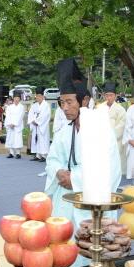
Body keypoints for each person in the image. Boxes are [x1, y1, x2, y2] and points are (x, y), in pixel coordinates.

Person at [45, 58, 121, 230]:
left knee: (87, 250)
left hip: (91, 203)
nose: (64, 108)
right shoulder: (64, 131)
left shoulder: (101, 130)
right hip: (64, 199)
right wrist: (58, 172)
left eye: (69, 102)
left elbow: (110, 171)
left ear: (84, 101)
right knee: (63, 248)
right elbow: (52, 159)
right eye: (61, 102)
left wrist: (75, 179)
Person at [96, 82, 127, 174]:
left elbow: (122, 125)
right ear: (104, 96)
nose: (109, 97)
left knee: (114, 167)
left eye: (111, 95)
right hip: (101, 141)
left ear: (115, 96)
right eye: (107, 95)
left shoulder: (120, 109)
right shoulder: (99, 108)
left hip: (115, 142)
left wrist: (110, 135)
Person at [27, 86, 51, 162]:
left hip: (42, 126)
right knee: (36, 139)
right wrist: (33, 121)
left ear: (43, 96)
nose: (38, 97)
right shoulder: (34, 105)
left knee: (43, 140)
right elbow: (30, 114)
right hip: (35, 126)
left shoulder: (46, 105)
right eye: (37, 96)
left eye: (39, 96)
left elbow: (45, 115)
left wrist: (37, 122)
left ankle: (44, 155)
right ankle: (37, 155)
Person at [4, 90, 25, 158]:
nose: (16, 99)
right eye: (15, 98)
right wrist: (9, 123)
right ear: (13, 98)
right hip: (10, 125)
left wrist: (14, 124)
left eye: (18, 98)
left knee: (17, 139)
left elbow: (20, 116)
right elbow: (8, 115)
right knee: (10, 138)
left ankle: (18, 153)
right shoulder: (10, 107)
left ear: (19, 99)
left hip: (17, 126)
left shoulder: (21, 107)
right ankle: (11, 153)